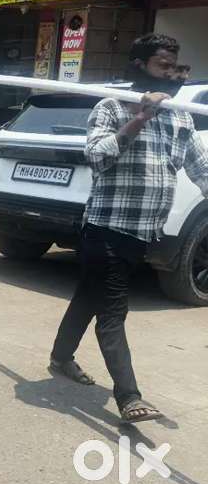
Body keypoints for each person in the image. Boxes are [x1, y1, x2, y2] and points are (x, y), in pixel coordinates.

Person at [49, 33, 208, 424]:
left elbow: (200, 168)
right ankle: (129, 396)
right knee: (112, 310)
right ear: (139, 66)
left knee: (90, 295)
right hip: (106, 228)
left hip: (144, 233)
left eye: (174, 67)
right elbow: (97, 156)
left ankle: (60, 357)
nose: (171, 74)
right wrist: (140, 117)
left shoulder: (180, 116)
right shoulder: (111, 107)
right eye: (162, 66)